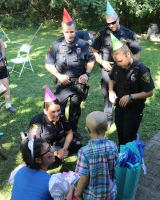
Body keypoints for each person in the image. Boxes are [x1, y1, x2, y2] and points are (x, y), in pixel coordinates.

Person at [45, 8, 95, 140]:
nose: (70, 35)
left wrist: (87, 74)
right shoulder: (56, 45)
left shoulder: (83, 44)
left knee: (75, 110)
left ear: (75, 30)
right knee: (59, 110)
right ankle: (61, 131)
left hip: (78, 84)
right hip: (62, 84)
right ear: (63, 31)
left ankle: (73, 130)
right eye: (67, 32)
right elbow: (48, 64)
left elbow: (91, 60)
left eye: (72, 32)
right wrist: (59, 76)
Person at [90, 1, 141, 128]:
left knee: (124, 92)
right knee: (108, 94)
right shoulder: (102, 33)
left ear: (118, 19)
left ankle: (123, 115)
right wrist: (102, 61)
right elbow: (94, 52)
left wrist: (128, 68)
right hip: (108, 69)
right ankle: (108, 119)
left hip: (124, 70)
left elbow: (136, 55)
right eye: (108, 24)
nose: (111, 25)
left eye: (113, 22)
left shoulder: (129, 34)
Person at [108, 34, 154, 145]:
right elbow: (111, 78)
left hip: (134, 108)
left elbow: (150, 92)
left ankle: (131, 159)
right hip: (120, 106)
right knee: (120, 133)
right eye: (116, 62)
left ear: (128, 54)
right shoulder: (118, 65)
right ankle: (122, 156)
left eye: (120, 61)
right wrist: (111, 91)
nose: (118, 64)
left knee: (129, 136)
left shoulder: (141, 70)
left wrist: (130, 96)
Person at [27, 86, 82, 162]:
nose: (57, 114)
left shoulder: (62, 116)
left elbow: (69, 133)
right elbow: (35, 146)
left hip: (58, 142)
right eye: (53, 112)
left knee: (77, 146)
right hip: (44, 147)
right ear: (45, 111)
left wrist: (64, 149)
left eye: (58, 110)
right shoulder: (36, 123)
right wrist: (56, 153)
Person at [9, 138, 74, 200]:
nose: (53, 150)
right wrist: (71, 187)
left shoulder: (19, 170)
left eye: (50, 146)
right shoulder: (52, 182)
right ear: (38, 160)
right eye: (48, 150)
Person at [74, 111, 118, 200]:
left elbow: (83, 178)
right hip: (111, 193)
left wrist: (77, 194)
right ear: (107, 127)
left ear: (88, 131)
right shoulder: (113, 146)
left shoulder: (84, 152)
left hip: (93, 196)